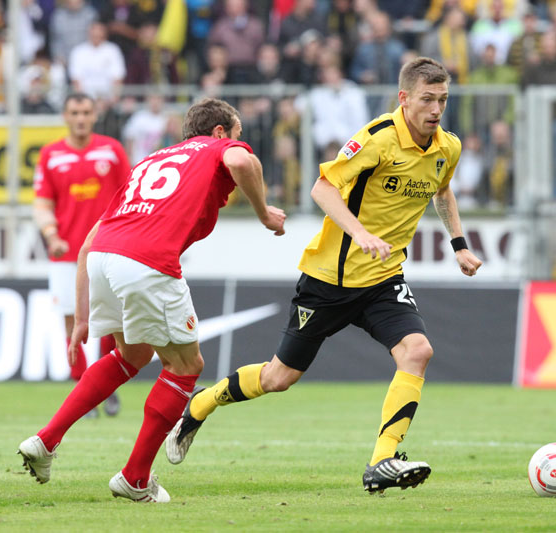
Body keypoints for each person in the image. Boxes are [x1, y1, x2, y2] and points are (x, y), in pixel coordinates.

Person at [164, 57, 483, 494]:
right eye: (428, 99)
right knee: (278, 378)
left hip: (383, 279)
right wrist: (360, 233)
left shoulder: (448, 147)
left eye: (443, 99)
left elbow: (442, 190)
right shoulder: (377, 138)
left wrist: (459, 244)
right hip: (329, 279)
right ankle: (202, 402)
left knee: (418, 351)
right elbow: (322, 187)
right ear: (404, 98)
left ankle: (382, 461)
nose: (436, 109)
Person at [19, 98, 286, 503]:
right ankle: (135, 477)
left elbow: (89, 243)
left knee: (133, 355)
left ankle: (46, 440)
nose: (239, 141)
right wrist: (264, 213)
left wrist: (83, 317)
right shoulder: (217, 148)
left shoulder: (152, 159)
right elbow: (241, 162)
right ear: (219, 132)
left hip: (103, 257)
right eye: (237, 133)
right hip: (145, 261)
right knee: (186, 366)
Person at [32, 93, 131, 416]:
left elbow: (129, 194)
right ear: (65, 116)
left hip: (108, 250)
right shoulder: (51, 155)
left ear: (94, 115)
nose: (80, 118)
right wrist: (51, 235)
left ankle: (105, 388)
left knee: (112, 322)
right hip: (67, 254)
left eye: (86, 112)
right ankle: (82, 388)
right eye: (74, 112)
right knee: (70, 321)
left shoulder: (111, 151)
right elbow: (42, 203)